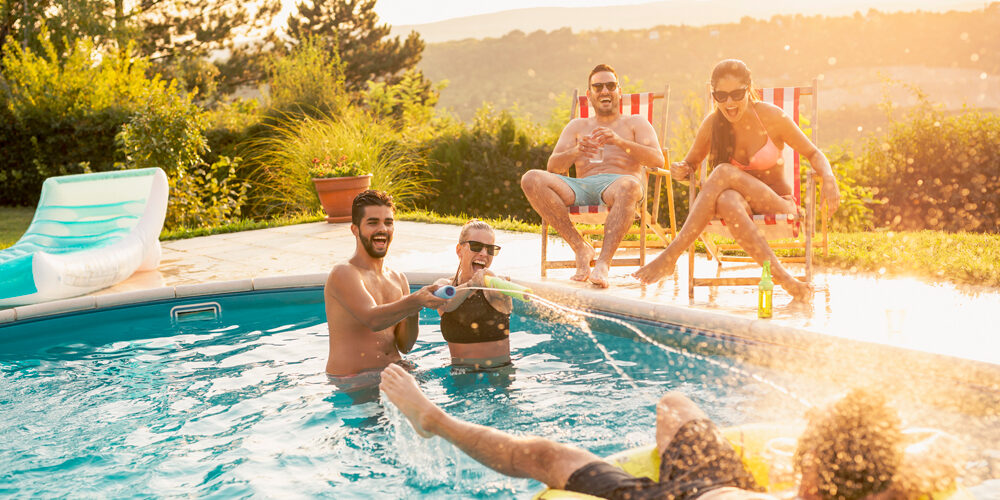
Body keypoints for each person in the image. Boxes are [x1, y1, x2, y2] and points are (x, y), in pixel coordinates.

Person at [380, 363, 903, 500]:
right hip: (733, 482)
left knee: (547, 456)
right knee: (675, 406)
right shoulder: (890, 487)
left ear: (813, 468)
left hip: (681, 497)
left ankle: (435, 422)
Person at [632, 59, 841, 302]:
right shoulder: (713, 124)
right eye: (721, 96)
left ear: (749, 88)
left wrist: (828, 176)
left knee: (722, 172)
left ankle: (671, 255)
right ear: (714, 96)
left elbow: (814, 153)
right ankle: (786, 281)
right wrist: (682, 169)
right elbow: (690, 164)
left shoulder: (771, 117)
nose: (729, 103)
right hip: (740, 207)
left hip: (778, 204)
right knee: (728, 200)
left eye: (736, 94)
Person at [521, 63, 665, 288]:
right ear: (590, 95)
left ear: (619, 91)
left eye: (610, 85)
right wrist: (576, 151)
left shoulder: (636, 122)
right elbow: (553, 166)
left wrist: (619, 141)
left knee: (629, 186)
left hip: (618, 185)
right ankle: (580, 247)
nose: (605, 91)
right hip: (581, 187)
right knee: (531, 178)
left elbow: (657, 160)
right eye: (598, 87)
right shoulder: (577, 126)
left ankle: (603, 264)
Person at [324, 190, 447, 378]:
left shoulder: (398, 278)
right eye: (373, 222)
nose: (382, 229)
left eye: (388, 223)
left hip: (395, 372)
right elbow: (373, 320)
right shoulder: (344, 273)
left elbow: (405, 346)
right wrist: (414, 301)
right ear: (355, 229)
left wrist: (414, 310)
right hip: (355, 382)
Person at [433, 219, 514, 370]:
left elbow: (504, 298)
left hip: (499, 373)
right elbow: (445, 304)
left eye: (490, 249)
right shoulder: (445, 285)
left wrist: (494, 283)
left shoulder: (496, 286)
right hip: (460, 373)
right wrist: (472, 285)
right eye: (476, 246)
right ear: (459, 250)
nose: (484, 254)